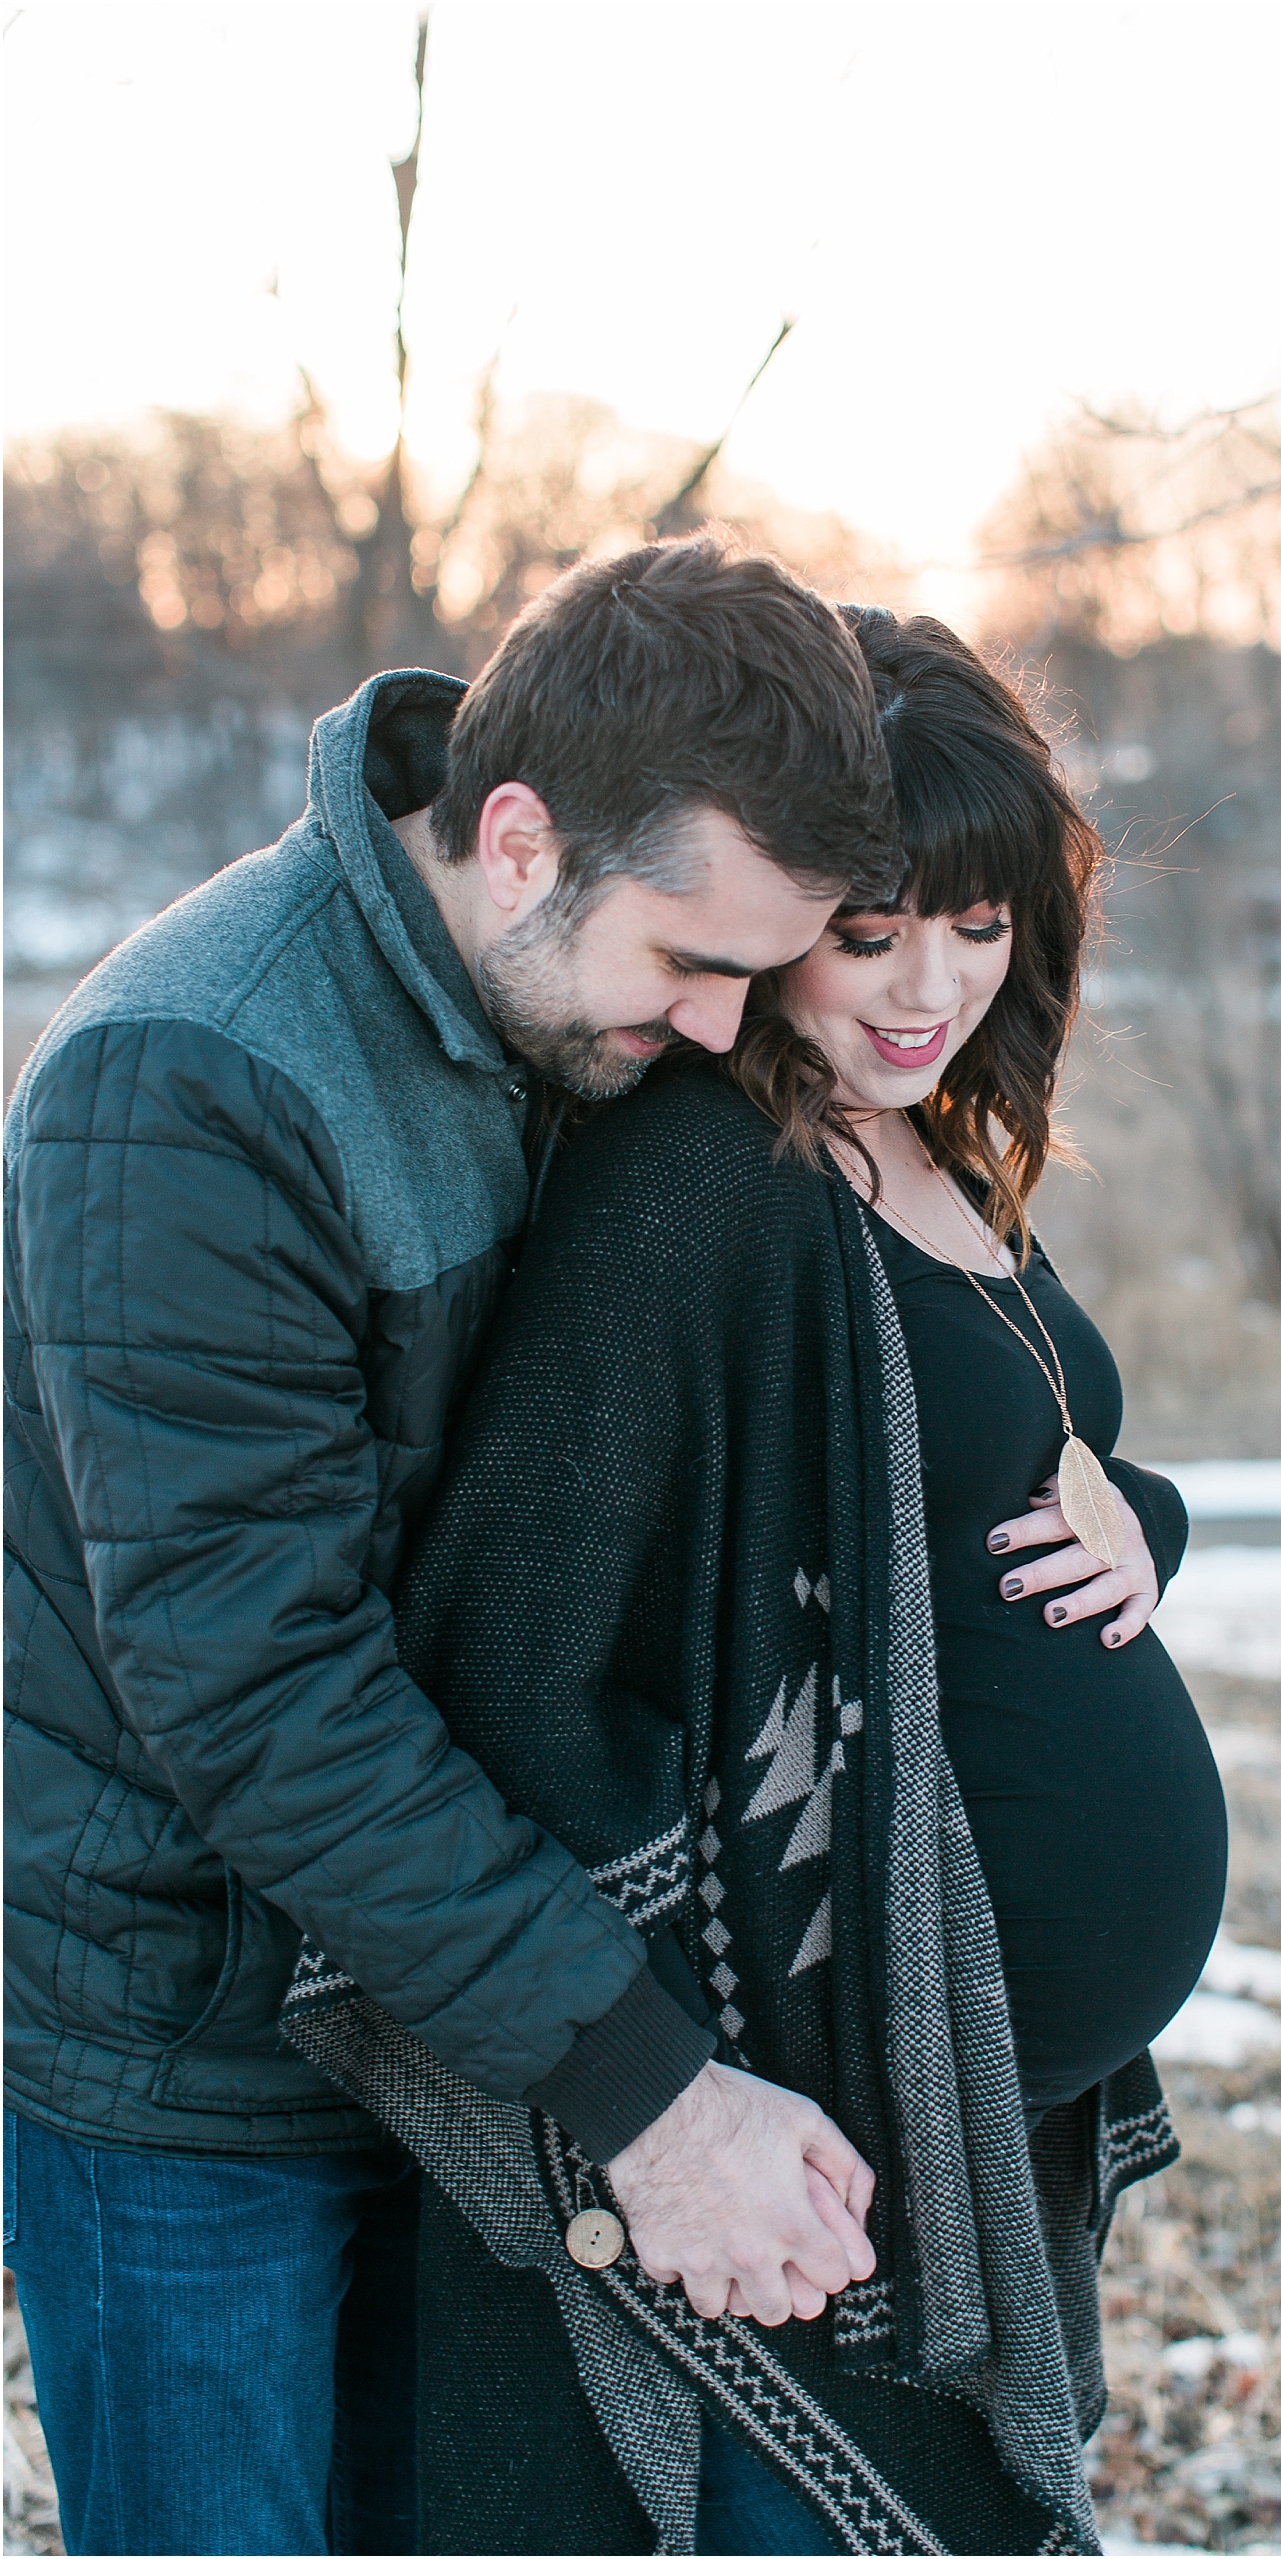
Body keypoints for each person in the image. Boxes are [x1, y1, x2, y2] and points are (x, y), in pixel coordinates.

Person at [3, 536, 907, 2558]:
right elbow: (260, 1683)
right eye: (689, 960)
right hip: (191, 2051)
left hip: (460, 2018)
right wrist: (652, 2092)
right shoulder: (190, 1084)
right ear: (516, 839)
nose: (714, 1024)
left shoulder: (563, 1012)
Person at [289, 610, 1227, 2555]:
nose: (926, 985)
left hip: (948, 2109)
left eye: (976, 925)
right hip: (796, 2083)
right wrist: (676, 2077)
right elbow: (525, 1643)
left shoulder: (917, 1134)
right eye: (868, 930)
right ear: (774, 902)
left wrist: (1140, 1512)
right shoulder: (699, 1189)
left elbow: (982, 1486)